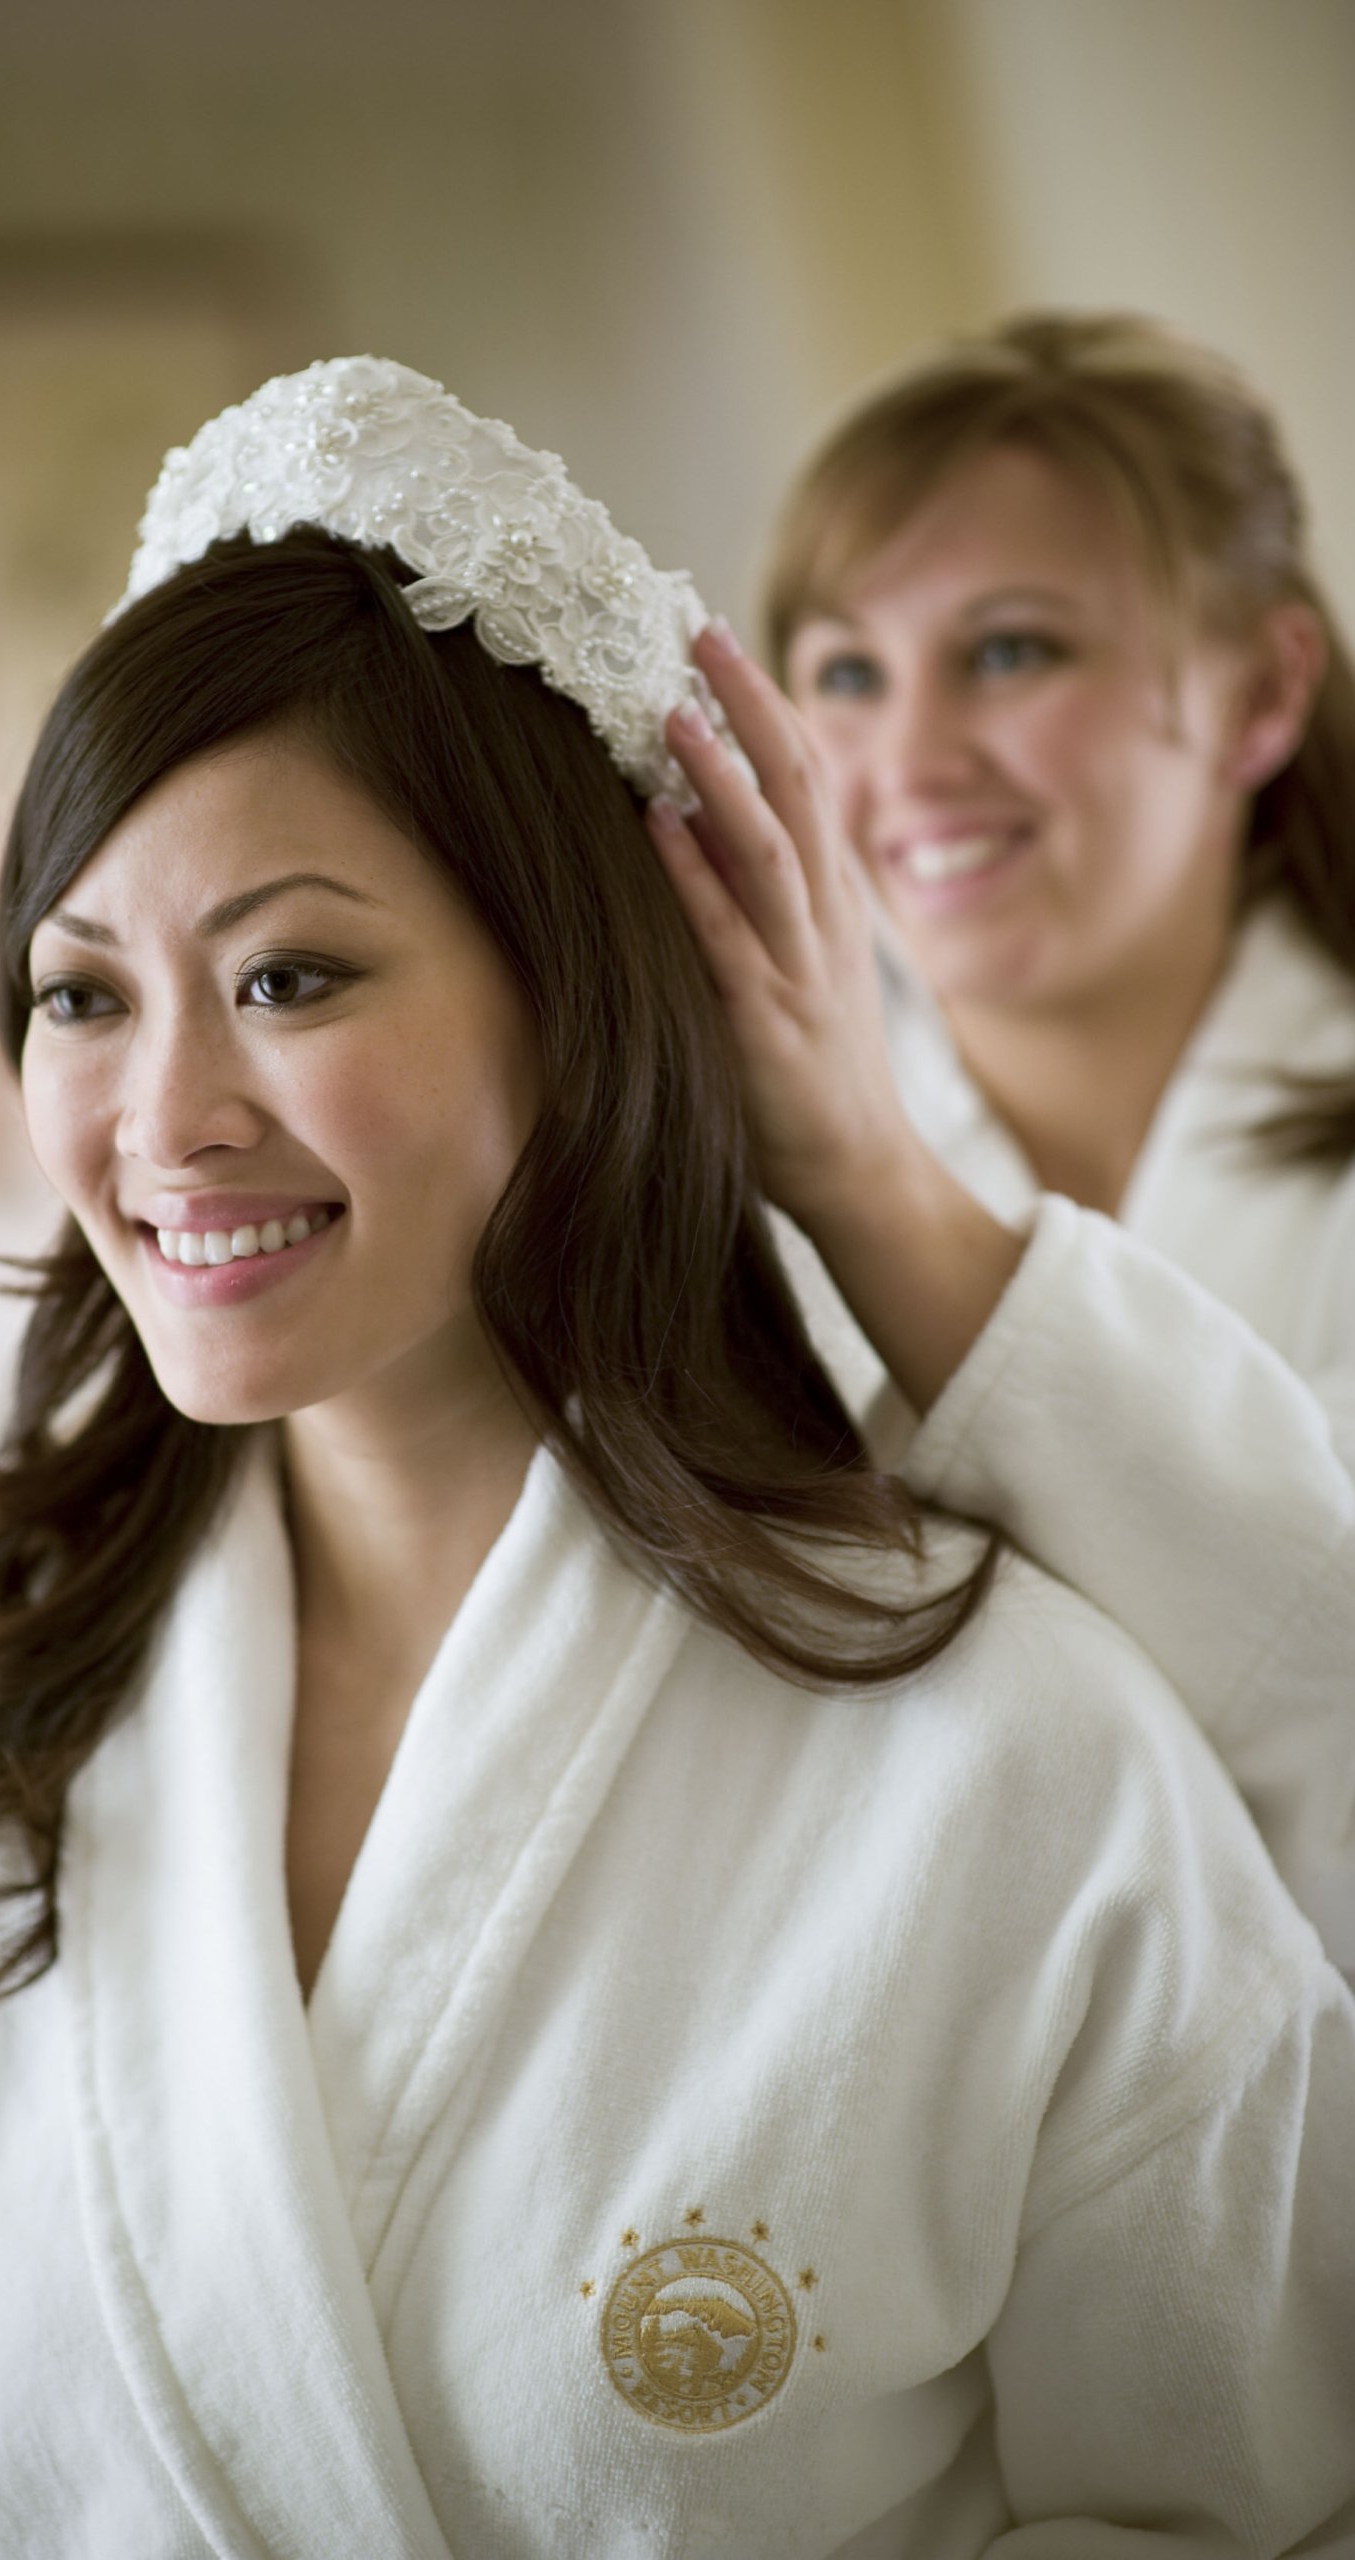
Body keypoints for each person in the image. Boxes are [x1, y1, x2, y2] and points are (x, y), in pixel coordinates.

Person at [0, 358, 1353, 2556]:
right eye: (83, 994)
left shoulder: (1021, 1763)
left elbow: (1265, 2502)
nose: (165, 1120)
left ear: (579, 1003)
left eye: (290, 977)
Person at [648, 311, 1355, 1963]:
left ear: (1258, 690)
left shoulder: (842, 1177)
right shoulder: (721, 1209)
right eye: (846, 674)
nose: (912, 762)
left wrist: (870, 1189)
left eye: (1013, 651)